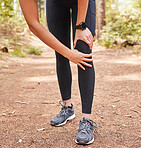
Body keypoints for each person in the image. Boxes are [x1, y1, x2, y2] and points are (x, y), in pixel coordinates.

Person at [19, 0, 98, 145]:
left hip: (81, 3)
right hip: (55, 3)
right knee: (61, 53)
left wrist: (81, 26)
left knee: (83, 49)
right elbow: (33, 25)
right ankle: (67, 108)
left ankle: (87, 120)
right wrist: (68, 53)